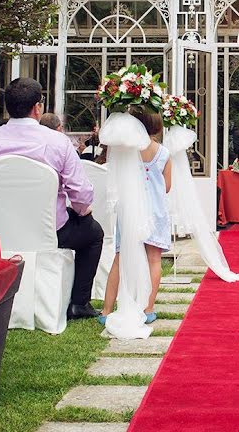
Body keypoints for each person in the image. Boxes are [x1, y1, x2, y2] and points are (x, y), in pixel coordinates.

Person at [0, 78, 103, 320]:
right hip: (50, 232)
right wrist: (83, 212)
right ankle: (79, 303)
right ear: (38, 107)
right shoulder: (58, 142)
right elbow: (81, 194)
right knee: (94, 233)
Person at [101, 105, 172, 325]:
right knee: (154, 259)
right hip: (156, 211)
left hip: (129, 211)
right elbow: (167, 187)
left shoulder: (126, 150)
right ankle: (147, 308)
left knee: (120, 259)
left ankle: (106, 310)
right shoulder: (163, 153)